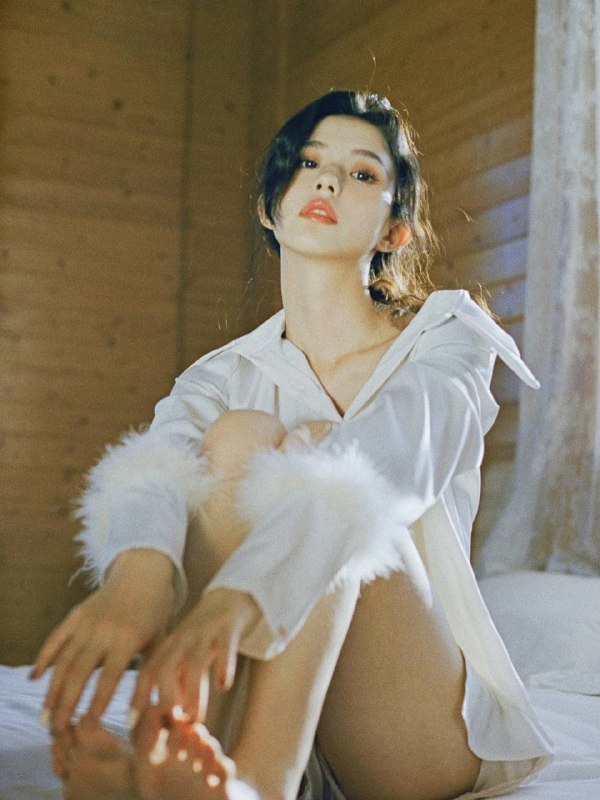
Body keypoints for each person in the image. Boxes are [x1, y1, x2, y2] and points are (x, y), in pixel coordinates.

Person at [31, 90, 553, 800]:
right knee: (239, 436)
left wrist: (245, 592)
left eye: (362, 173)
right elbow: (152, 472)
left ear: (396, 230)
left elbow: (390, 466)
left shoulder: (447, 339)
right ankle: (191, 755)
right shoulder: (223, 375)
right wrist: (138, 578)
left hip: (408, 732)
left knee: (322, 451)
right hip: (274, 704)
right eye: (308, 163)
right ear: (267, 206)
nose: (329, 180)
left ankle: (261, 780)